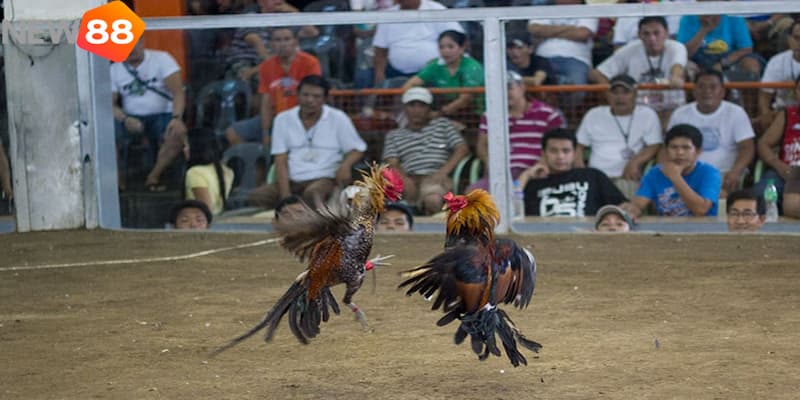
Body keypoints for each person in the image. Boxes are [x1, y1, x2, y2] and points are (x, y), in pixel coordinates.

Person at [247, 75, 367, 209]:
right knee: (257, 196)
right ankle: (292, 211)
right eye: (305, 95)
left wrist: (345, 165)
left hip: (324, 178)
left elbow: (358, 149)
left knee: (313, 194)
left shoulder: (338, 118)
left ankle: (303, 212)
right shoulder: (282, 119)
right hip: (293, 180)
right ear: (297, 95)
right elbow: (280, 159)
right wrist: (286, 195)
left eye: (316, 96)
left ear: (325, 99)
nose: (310, 100)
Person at [224, 26, 322, 147]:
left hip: (302, 118)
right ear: (271, 44)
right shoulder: (266, 66)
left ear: (295, 42)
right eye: (278, 40)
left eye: (287, 39)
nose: (283, 44)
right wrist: (265, 132)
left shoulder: (310, 63)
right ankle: (260, 158)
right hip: (275, 116)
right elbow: (266, 102)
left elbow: (314, 98)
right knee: (232, 132)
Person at [111, 38, 188, 192]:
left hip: (164, 114)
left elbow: (178, 93)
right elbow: (109, 105)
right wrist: (125, 119)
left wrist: (177, 118)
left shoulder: (162, 59)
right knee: (107, 135)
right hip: (131, 117)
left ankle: (153, 176)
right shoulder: (114, 69)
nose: (131, 49)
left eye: (133, 44)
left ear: (141, 42)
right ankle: (116, 184)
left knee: (177, 133)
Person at [469, 70, 564, 192]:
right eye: (499, 89)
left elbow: (557, 144)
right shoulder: (490, 115)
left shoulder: (547, 113)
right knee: (472, 194)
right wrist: (490, 164)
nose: (504, 93)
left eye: (509, 88)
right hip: (501, 174)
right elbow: (482, 146)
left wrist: (539, 167)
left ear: (522, 87)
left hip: (536, 171)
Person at [382, 87, 470, 215]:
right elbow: (392, 162)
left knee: (433, 200)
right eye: (412, 105)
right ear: (405, 109)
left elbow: (462, 148)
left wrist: (443, 172)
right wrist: (404, 180)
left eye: (422, 106)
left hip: (435, 177)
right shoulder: (394, 135)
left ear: (429, 109)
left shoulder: (443, 125)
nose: (416, 110)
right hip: (407, 178)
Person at [667, 69, 755, 196]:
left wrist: (736, 171)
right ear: (694, 91)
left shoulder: (736, 113)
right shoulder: (680, 114)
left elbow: (747, 147)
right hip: (686, 174)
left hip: (724, 174)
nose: (707, 91)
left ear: (722, 92)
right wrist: (670, 172)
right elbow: (667, 148)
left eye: (713, 87)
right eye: (701, 87)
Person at [576, 74, 662, 199]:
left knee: (626, 202)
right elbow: (579, 146)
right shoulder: (594, 114)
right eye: (615, 92)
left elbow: (655, 145)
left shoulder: (647, 115)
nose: (620, 97)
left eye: (625, 92)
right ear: (608, 95)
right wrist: (581, 172)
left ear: (635, 94)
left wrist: (635, 161)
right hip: (596, 177)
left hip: (626, 177)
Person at [518, 128, 629, 217]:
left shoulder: (592, 176)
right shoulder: (533, 183)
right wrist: (526, 174)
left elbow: (623, 206)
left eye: (566, 151)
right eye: (553, 151)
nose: (560, 156)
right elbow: (512, 207)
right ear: (543, 153)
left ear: (574, 153)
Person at [592, 16, 687, 116]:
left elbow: (678, 66)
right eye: (646, 34)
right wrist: (612, 97)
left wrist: (676, 77)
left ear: (666, 33)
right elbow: (597, 74)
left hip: (670, 109)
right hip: (638, 112)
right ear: (639, 35)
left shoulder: (677, 47)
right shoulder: (630, 49)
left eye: (656, 33)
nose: (652, 38)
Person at [626, 124, 722, 217]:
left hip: (703, 227)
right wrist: (631, 210)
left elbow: (701, 210)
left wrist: (675, 177)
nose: (679, 152)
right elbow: (638, 204)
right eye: (674, 147)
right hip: (666, 227)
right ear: (666, 151)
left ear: (698, 151)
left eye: (686, 148)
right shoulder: (655, 173)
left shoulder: (710, 173)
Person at [372, 0, 464, 85]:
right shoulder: (388, 15)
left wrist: (442, 63)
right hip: (396, 74)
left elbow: (458, 39)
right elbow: (380, 50)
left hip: (433, 73)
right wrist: (379, 74)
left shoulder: (436, 9)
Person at [401, 30, 486, 119]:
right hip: (445, 112)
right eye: (441, 47)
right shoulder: (435, 65)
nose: (445, 51)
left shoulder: (472, 68)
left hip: (474, 114)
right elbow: (410, 84)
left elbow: (465, 100)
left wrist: (437, 114)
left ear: (462, 48)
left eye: (450, 47)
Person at [527, 0, 598, 97]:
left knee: (577, 92)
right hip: (544, 58)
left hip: (576, 60)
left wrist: (548, 31)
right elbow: (535, 29)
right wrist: (570, 29)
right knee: (536, 91)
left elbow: (582, 34)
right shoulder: (544, 8)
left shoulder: (588, 10)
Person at [755, 75, 800, 212]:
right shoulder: (787, 114)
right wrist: (778, 165)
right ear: (796, 93)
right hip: (786, 171)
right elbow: (763, 144)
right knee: (760, 195)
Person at [677, 9, 762, 79]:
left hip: (728, 60)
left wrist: (722, 64)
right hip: (697, 62)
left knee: (751, 64)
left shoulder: (733, 17)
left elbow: (746, 48)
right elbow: (684, 53)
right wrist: (703, 29)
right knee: (682, 68)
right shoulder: (687, 18)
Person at [757, 21, 800, 131]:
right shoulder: (777, 61)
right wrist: (765, 114)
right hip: (782, 113)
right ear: (789, 39)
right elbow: (765, 95)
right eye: (796, 38)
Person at [184, 127, 235, 215]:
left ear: (197, 146)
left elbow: (206, 210)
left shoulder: (194, 173)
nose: (184, 149)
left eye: (186, 145)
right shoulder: (227, 171)